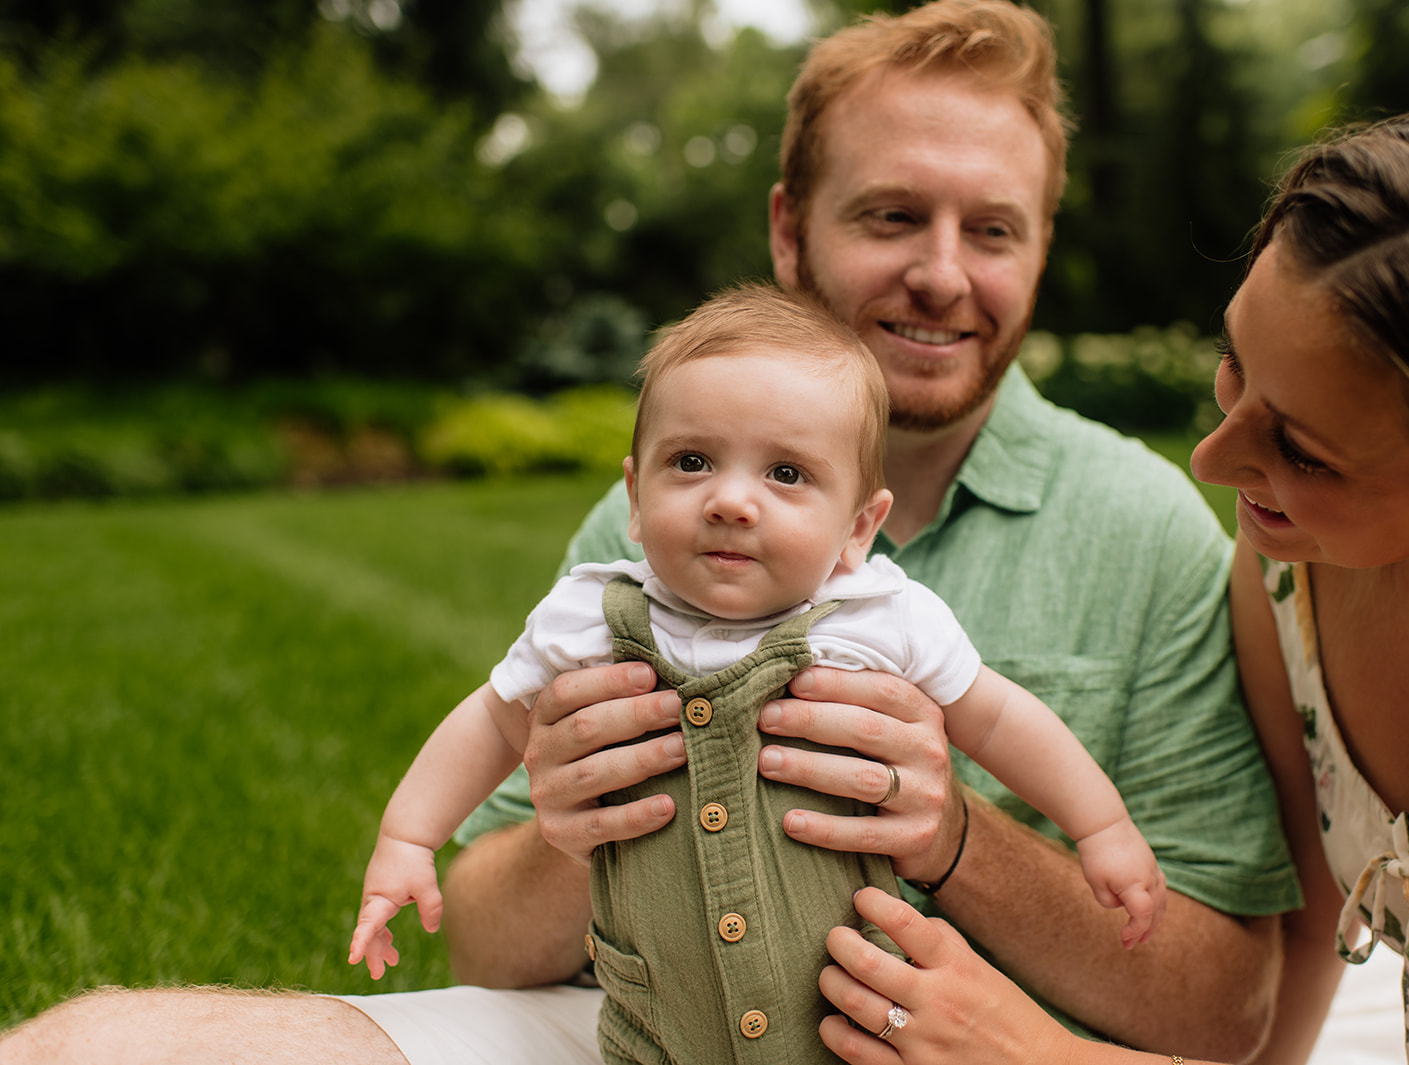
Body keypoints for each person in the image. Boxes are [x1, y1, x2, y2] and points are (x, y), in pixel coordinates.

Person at [0, 3, 1298, 1063]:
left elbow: (1225, 1012)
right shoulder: (652, 531)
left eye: (992, 230)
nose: (944, 273)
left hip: (972, 1047)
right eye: (893, 215)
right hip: (641, 1031)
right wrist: (569, 828)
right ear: (791, 229)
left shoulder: (1144, 530)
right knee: (92, 1049)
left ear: (1041, 249)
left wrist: (955, 837)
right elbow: (494, 952)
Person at [813, 90, 1409, 1065]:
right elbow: (1310, 930)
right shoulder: (1292, 577)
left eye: (1304, 451)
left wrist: (1036, 1054)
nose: (1211, 461)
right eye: (1235, 364)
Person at [347, 282, 1167, 1065]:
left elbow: (997, 718)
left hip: (848, 1024)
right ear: (635, 497)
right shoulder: (591, 615)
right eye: (693, 461)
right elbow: (491, 719)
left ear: (858, 527)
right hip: (654, 1023)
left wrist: (1100, 828)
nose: (731, 500)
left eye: (785, 474)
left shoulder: (877, 619)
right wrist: (408, 838)